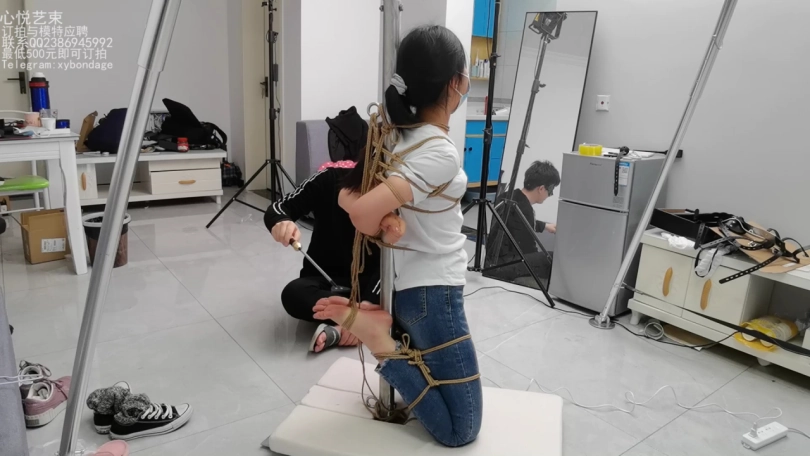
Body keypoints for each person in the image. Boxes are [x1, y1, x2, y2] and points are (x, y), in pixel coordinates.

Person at [312, 25, 482, 448]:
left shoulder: (394, 135)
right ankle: (378, 340)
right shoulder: (439, 151)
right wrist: (377, 217)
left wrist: (385, 217)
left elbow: (346, 194)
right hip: (435, 295)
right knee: (462, 430)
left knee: (437, 384)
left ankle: (382, 338)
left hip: (410, 289)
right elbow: (360, 211)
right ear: (455, 83)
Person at [264, 165, 380, 353]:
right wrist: (281, 222)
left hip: (373, 286)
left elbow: (399, 262)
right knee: (294, 294)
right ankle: (360, 320)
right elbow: (280, 207)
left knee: (410, 299)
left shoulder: (397, 197)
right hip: (326, 283)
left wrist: (368, 304)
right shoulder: (330, 179)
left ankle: (359, 319)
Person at [484, 160, 560, 288]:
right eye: (550, 191)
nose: (550, 195)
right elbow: (528, 251)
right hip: (502, 267)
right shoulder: (525, 210)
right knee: (552, 258)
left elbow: (519, 222)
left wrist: (545, 226)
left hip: (491, 259)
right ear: (541, 189)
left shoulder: (508, 196)